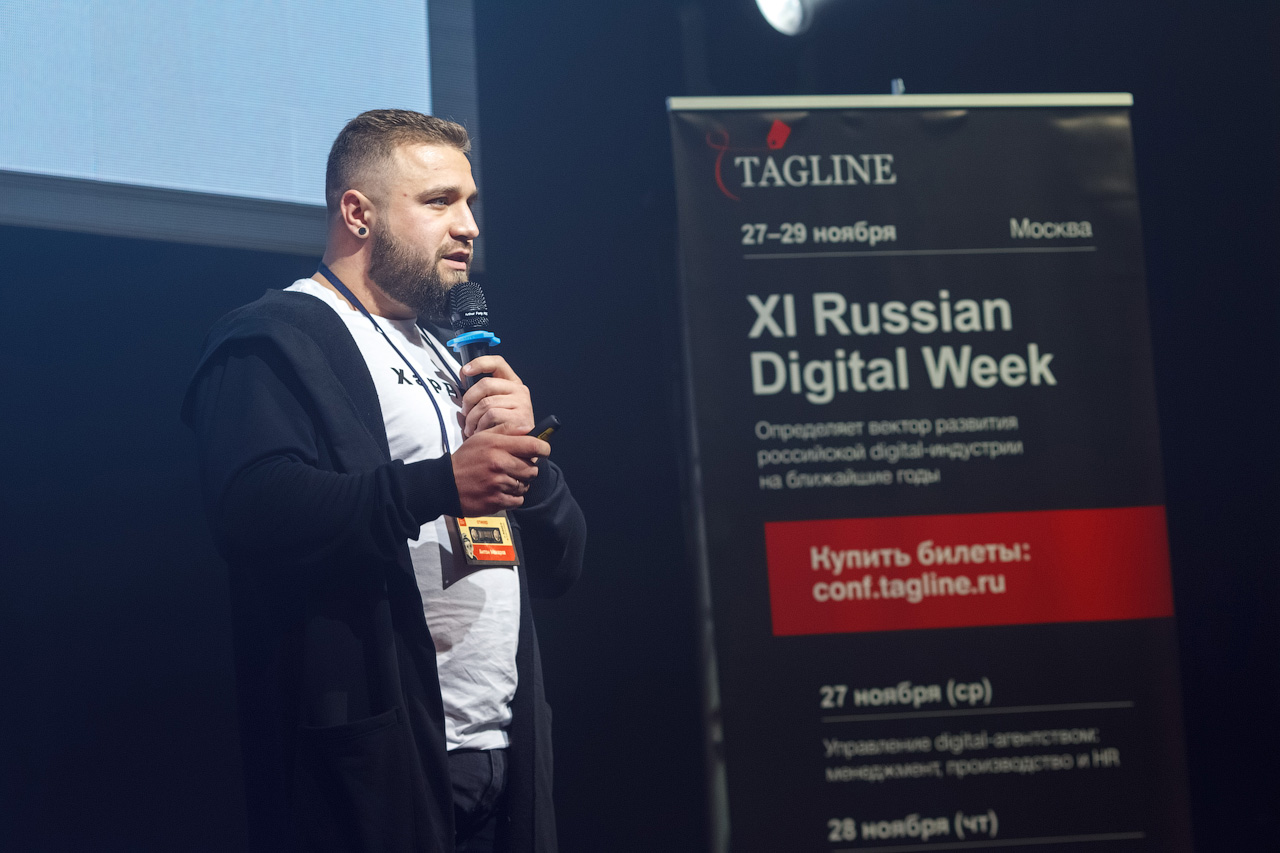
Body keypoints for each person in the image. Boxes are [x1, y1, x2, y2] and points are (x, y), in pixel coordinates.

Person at [182, 109, 585, 853]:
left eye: (469, 203)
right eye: (438, 201)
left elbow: (563, 562)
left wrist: (531, 466)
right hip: (376, 766)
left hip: (502, 750)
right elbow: (254, 510)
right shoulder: (277, 337)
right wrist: (439, 485)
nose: (467, 226)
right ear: (357, 213)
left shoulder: (452, 356)